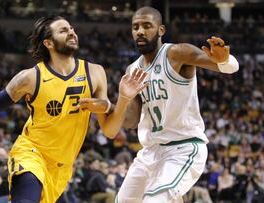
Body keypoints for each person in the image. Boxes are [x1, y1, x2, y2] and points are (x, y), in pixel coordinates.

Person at [0, 16, 147, 203]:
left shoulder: (94, 73)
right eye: (63, 30)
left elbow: (110, 131)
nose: (72, 32)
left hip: (61, 167)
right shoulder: (29, 78)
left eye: (72, 28)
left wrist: (122, 100)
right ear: (48, 43)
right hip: (31, 153)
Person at [75, 6, 239, 202]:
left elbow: (227, 67)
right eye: (135, 27)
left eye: (147, 26)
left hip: (183, 147)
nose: (140, 31)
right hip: (149, 153)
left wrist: (225, 60)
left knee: (155, 199)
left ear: (161, 30)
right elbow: (131, 120)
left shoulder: (176, 53)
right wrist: (108, 107)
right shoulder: (133, 69)